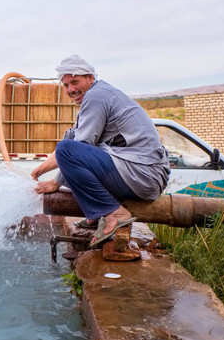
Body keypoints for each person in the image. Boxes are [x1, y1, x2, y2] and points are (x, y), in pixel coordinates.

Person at [30, 55, 170, 246]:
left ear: (90, 77)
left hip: (143, 174)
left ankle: (115, 214)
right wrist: (49, 178)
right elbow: (75, 141)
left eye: (75, 82)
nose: (71, 89)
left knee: (67, 150)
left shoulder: (96, 96)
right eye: (66, 85)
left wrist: (47, 177)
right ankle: (96, 215)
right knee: (69, 143)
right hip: (140, 172)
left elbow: (74, 151)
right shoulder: (98, 95)